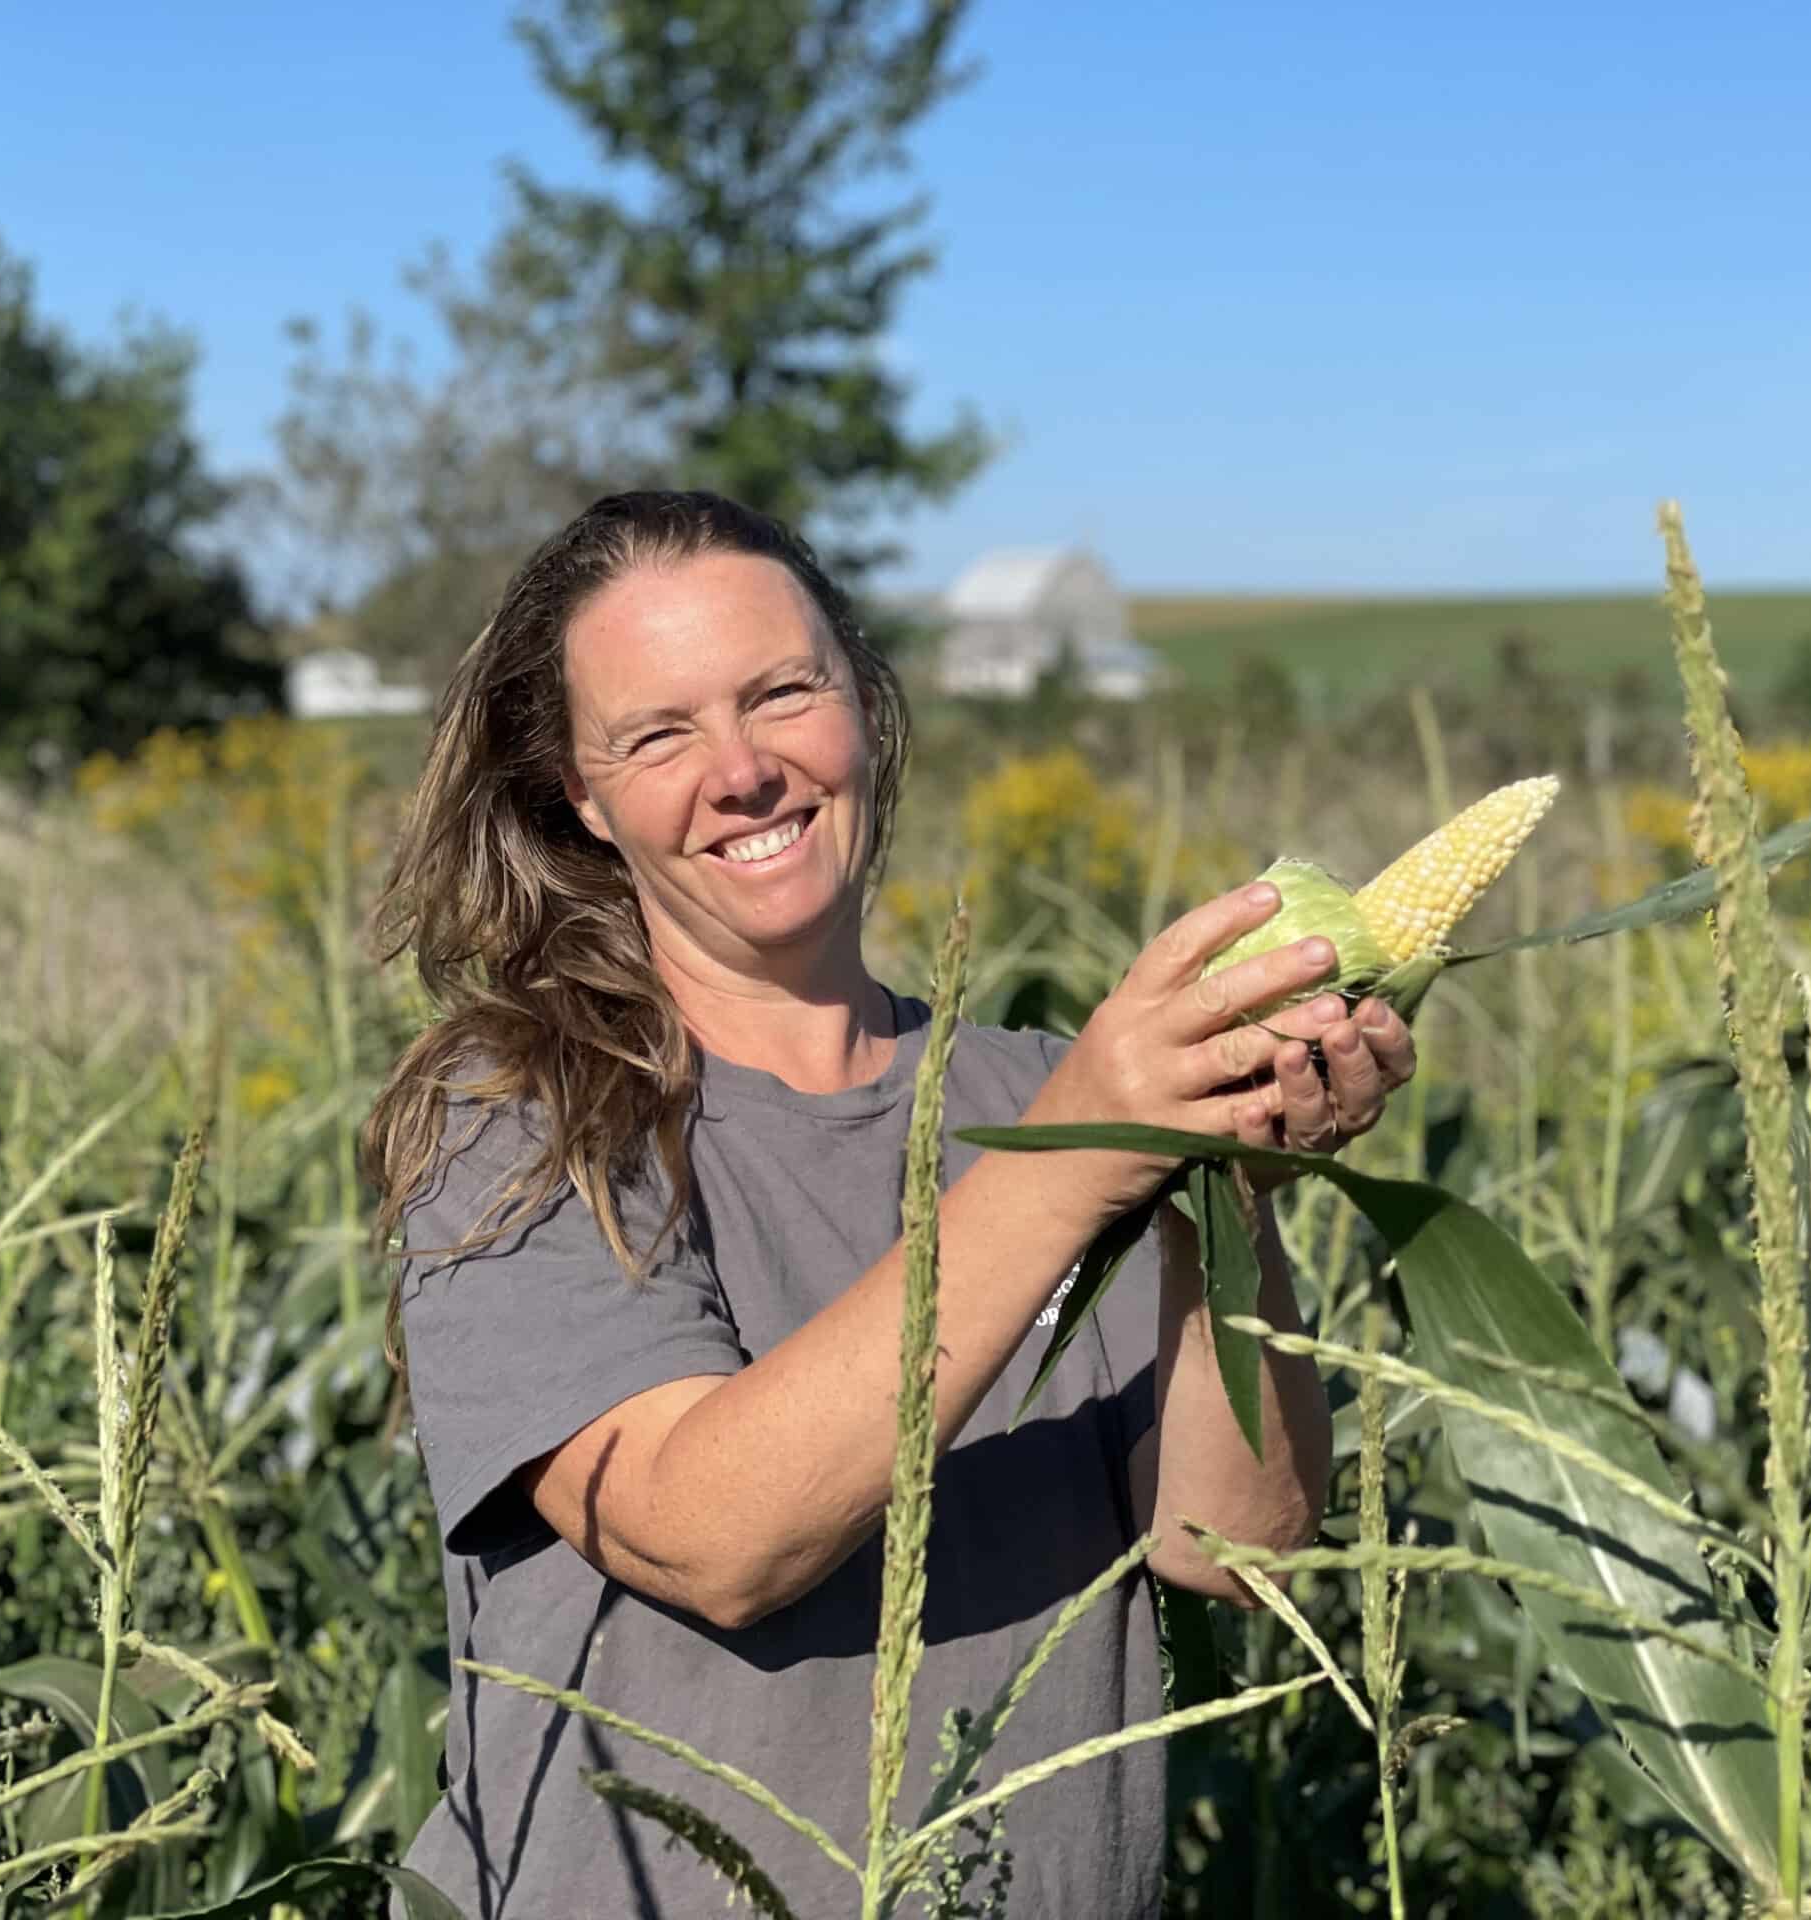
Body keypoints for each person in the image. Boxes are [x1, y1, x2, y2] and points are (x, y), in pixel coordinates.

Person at [362, 490, 1416, 1918]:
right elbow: (708, 1535)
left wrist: (1228, 1189)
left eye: (782, 693)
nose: (740, 771)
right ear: (583, 801)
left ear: (862, 705)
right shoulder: (521, 1115)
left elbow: (1235, 1553)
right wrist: (1088, 1149)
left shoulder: (1041, 1092)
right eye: (657, 733)